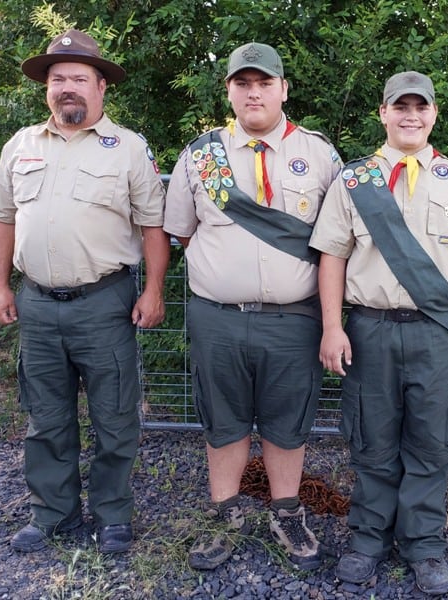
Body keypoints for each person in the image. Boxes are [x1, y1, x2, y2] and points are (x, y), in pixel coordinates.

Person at [310, 71, 448, 596]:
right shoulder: (354, 180)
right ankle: (368, 539)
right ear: (383, 113)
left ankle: (423, 544)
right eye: (401, 107)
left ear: (434, 115)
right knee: (371, 437)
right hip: (370, 328)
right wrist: (332, 326)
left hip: (435, 332)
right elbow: (332, 256)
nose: (410, 116)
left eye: (420, 107)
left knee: (431, 439)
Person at [0, 29, 169, 554]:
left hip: (105, 303)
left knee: (114, 419)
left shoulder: (128, 148)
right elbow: (2, 218)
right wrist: (0, 286)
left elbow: (154, 227)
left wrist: (153, 291)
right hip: (37, 303)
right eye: (57, 78)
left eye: (79, 78)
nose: (67, 87)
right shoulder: (21, 145)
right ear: (47, 88)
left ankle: (112, 516)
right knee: (46, 420)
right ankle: (53, 514)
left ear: (101, 86)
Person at [162, 42, 342, 571]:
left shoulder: (321, 154)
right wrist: (229, 276)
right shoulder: (202, 155)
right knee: (224, 420)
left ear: (284, 89)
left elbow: (337, 242)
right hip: (219, 317)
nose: (254, 92)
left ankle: (286, 512)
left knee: (288, 422)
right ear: (230, 92)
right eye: (243, 83)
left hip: (294, 319)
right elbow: (183, 234)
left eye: (264, 83)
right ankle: (225, 514)